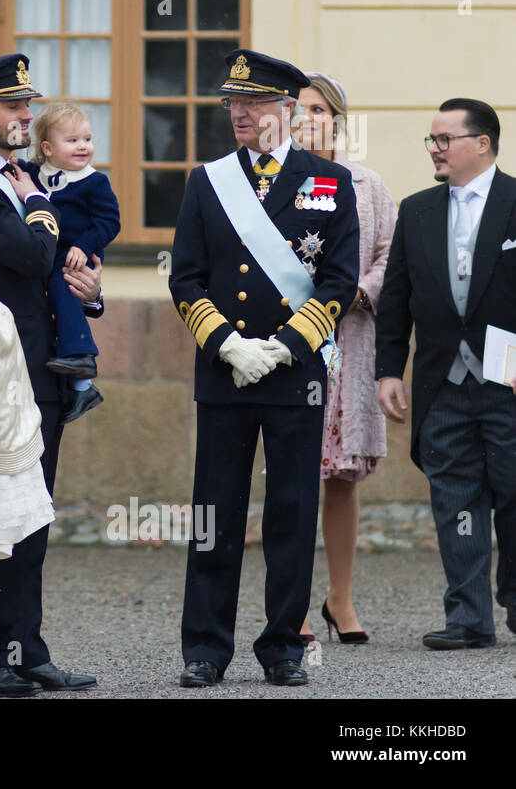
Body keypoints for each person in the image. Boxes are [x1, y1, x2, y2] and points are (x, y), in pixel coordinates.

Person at [170, 49, 359, 688]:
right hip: (226, 370)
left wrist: (284, 346)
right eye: (232, 103)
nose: (239, 114)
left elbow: (338, 277)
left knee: (291, 510)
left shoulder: (327, 181)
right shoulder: (208, 180)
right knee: (214, 512)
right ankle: (204, 646)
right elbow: (187, 276)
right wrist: (226, 343)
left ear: (285, 109)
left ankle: (283, 645)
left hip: (293, 372)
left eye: (252, 103)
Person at [0, 53, 102, 697]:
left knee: (31, 517)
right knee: (1, 521)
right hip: (2, 375)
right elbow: (36, 252)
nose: (26, 115)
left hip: (38, 371)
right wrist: (39, 201)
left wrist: (87, 292)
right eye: (12, 107)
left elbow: (58, 266)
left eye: (27, 105)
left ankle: (25, 648)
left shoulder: (17, 177)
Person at [376, 97, 516, 650]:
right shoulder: (416, 210)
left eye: (444, 139)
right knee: (454, 499)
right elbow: (396, 299)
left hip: (508, 383)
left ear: (482, 143)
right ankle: (468, 617)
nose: (434, 149)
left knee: (514, 494)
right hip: (442, 383)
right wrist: (390, 370)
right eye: (431, 140)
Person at [291, 74, 396, 645]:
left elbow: (388, 254)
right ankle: (294, 603)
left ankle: (341, 597)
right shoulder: (276, 182)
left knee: (343, 478)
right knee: (295, 475)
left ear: (337, 119)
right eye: (297, 108)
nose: (307, 117)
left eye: (317, 109)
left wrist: (359, 291)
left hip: (351, 342)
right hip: (294, 342)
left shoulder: (367, 183)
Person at [26, 102, 120, 421]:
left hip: (77, 253)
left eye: (87, 139)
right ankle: (82, 385)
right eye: (73, 140)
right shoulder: (33, 175)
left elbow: (109, 222)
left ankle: (81, 356)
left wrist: (84, 244)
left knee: (61, 286)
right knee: (55, 288)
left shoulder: (94, 182)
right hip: (48, 251)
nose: (83, 146)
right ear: (48, 149)